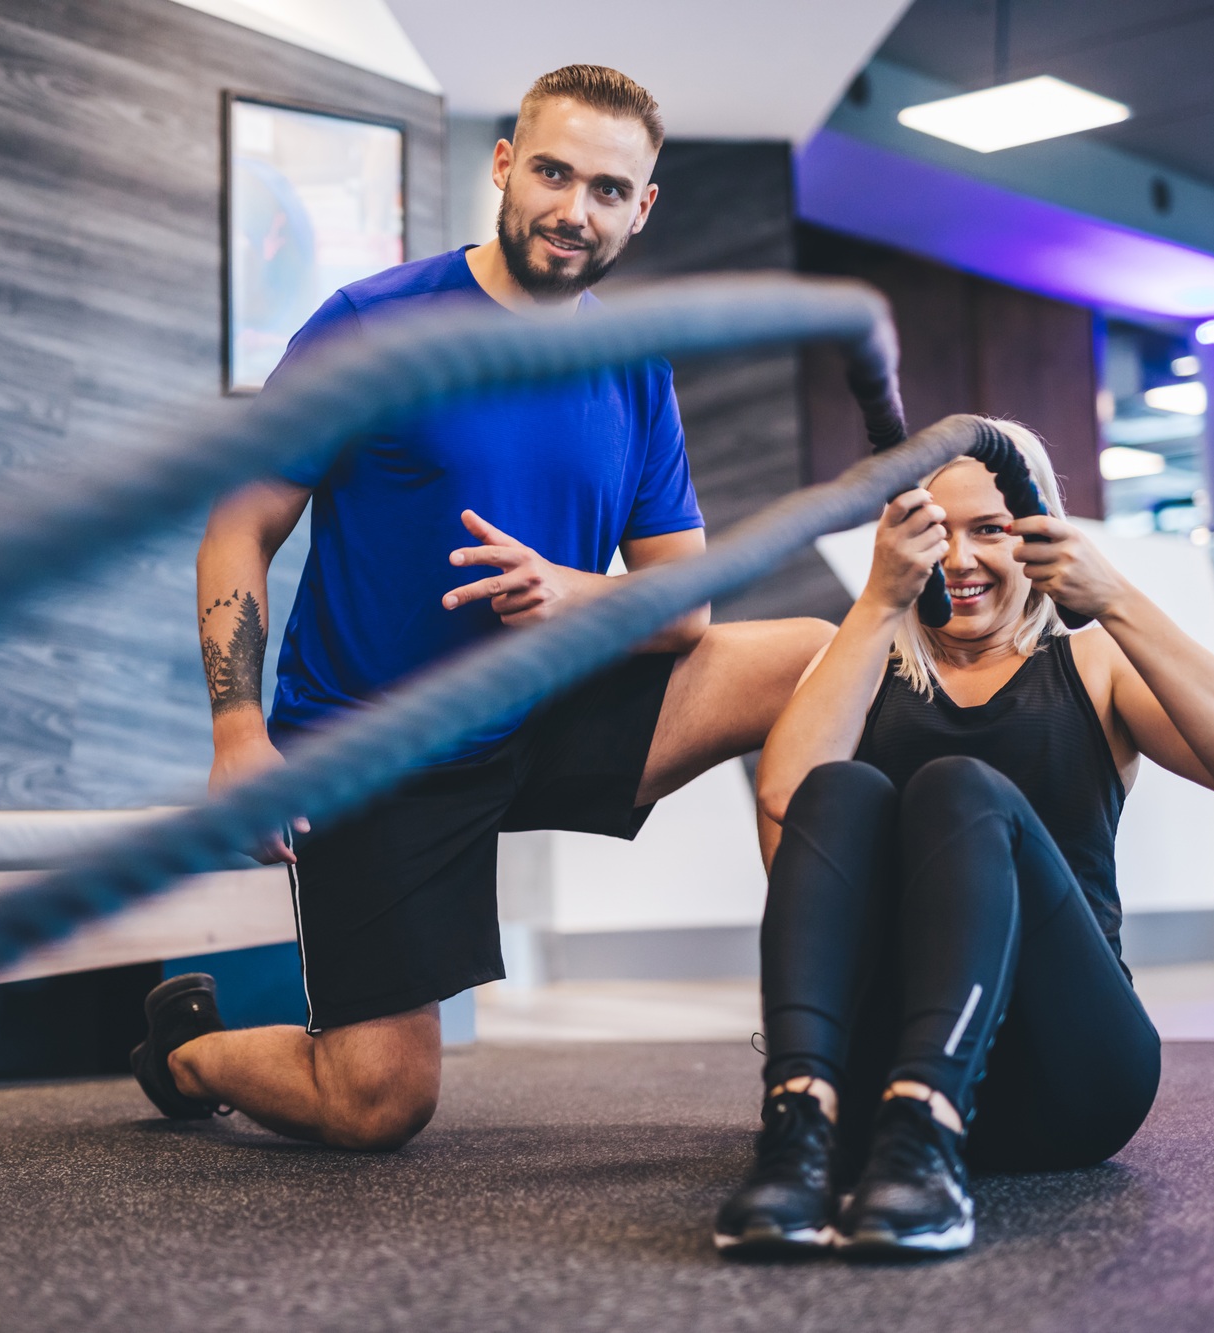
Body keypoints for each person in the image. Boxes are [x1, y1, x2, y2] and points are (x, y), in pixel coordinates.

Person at [129, 65, 833, 1150]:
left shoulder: (631, 369)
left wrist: (574, 593)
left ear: (641, 209)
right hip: (378, 748)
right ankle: (187, 1050)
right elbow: (239, 526)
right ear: (504, 165)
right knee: (375, 1107)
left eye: (607, 189)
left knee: (811, 656)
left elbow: (682, 608)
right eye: (552, 172)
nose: (572, 209)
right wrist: (236, 731)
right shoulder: (372, 324)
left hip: (541, 715)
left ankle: (818, 1045)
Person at [715, 422, 1214, 1256]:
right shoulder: (861, 662)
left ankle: (931, 1122)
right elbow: (787, 801)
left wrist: (1116, 598)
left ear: (1039, 531)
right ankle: (797, 1123)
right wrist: (876, 603)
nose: (960, 557)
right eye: (935, 530)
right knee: (837, 784)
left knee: (958, 787)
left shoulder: (1093, 667)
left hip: (1070, 1074)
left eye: (990, 529)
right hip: (872, 1097)